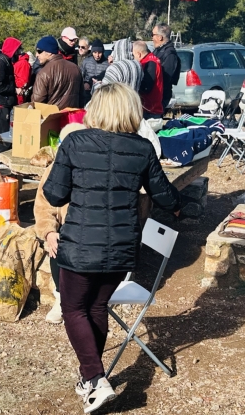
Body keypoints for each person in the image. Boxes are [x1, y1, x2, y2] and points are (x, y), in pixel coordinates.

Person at [43, 83, 181, 412]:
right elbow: (165, 197)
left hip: (80, 246)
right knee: (96, 307)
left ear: (96, 109)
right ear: (130, 111)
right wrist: (181, 203)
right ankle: (91, 379)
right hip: (122, 247)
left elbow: (54, 195)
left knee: (73, 309)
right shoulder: (143, 148)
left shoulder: (74, 141)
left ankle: (95, 378)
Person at [33, 122, 85, 324]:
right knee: (57, 243)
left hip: (92, 228)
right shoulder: (54, 170)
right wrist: (48, 231)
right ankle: (61, 298)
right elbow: (43, 205)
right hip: (68, 227)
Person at [31, 35, 82, 109]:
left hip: (52, 118)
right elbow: (81, 99)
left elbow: (37, 103)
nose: (36, 55)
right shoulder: (76, 68)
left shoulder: (43, 73)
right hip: (72, 117)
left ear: (49, 52)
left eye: (39, 51)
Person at [0, 38, 23, 137]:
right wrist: (14, 90)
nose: (19, 53)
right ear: (12, 50)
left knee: (0, 135)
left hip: (4, 103)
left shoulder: (6, 62)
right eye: (17, 50)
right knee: (2, 135)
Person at [151, 23, 181, 112]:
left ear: (160, 37)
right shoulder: (158, 50)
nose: (152, 38)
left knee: (154, 121)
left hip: (161, 95)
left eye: (153, 35)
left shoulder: (169, 54)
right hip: (154, 94)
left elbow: (166, 77)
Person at [132, 41, 164, 119]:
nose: (133, 57)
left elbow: (147, 86)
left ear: (138, 54)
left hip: (150, 109)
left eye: (133, 55)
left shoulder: (150, 63)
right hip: (150, 107)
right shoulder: (151, 60)